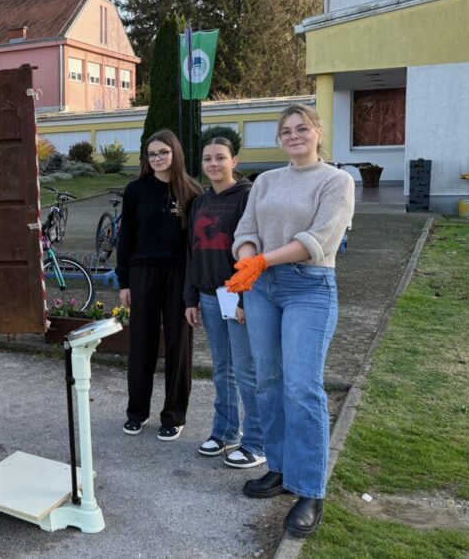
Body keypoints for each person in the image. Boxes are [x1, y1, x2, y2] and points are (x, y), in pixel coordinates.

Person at [226, 105, 354, 538]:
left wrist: (261, 260)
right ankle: (279, 468)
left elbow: (318, 241)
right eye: (287, 131)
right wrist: (248, 263)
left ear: (317, 133)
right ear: (279, 139)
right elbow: (245, 231)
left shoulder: (337, 181)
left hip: (309, 287)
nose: (294, 135)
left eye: (302, 129)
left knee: (302, 386)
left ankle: (310, 488)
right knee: (269, 382)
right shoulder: (265, 181)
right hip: (262, 289)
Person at [184, 137, 264, 468]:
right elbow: (191, 252)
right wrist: (191, 297)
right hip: (208, 295)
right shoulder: (200, 203)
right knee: (222, 369)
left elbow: (254, 248)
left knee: (246, 370)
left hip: (236, 294)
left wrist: (245, 298)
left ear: (234, 161)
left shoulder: (247, 197)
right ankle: (224, 431)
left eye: (220, 158)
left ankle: (257, 441)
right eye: (207, 159)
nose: (213, 164)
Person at [117, 129, 202, 441]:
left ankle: (174, 415)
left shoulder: (192, 192)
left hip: (179, 276)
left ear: (174, 153)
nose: (157, 159)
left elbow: (197, 244)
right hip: (143, 275)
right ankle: (136, 412)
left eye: (163, 152)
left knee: (179, 347)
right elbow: (125, 239)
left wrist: (196, 290)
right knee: (142, 344)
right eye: (151, 154)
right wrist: (124, 281)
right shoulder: (135, 190)